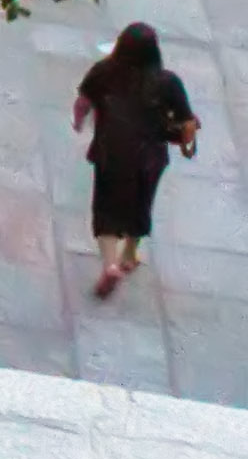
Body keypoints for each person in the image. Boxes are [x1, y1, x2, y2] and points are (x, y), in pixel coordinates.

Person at [75, 19, 201, 298]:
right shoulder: (168, 83)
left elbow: (83, 101)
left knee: (105, 208)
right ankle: (129, 254)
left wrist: (78, 121)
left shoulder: (103, 72)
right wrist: (186, 138)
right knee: (142, 202)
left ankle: (110, 265)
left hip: (110, 151)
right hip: (148, 157)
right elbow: (186, 121)